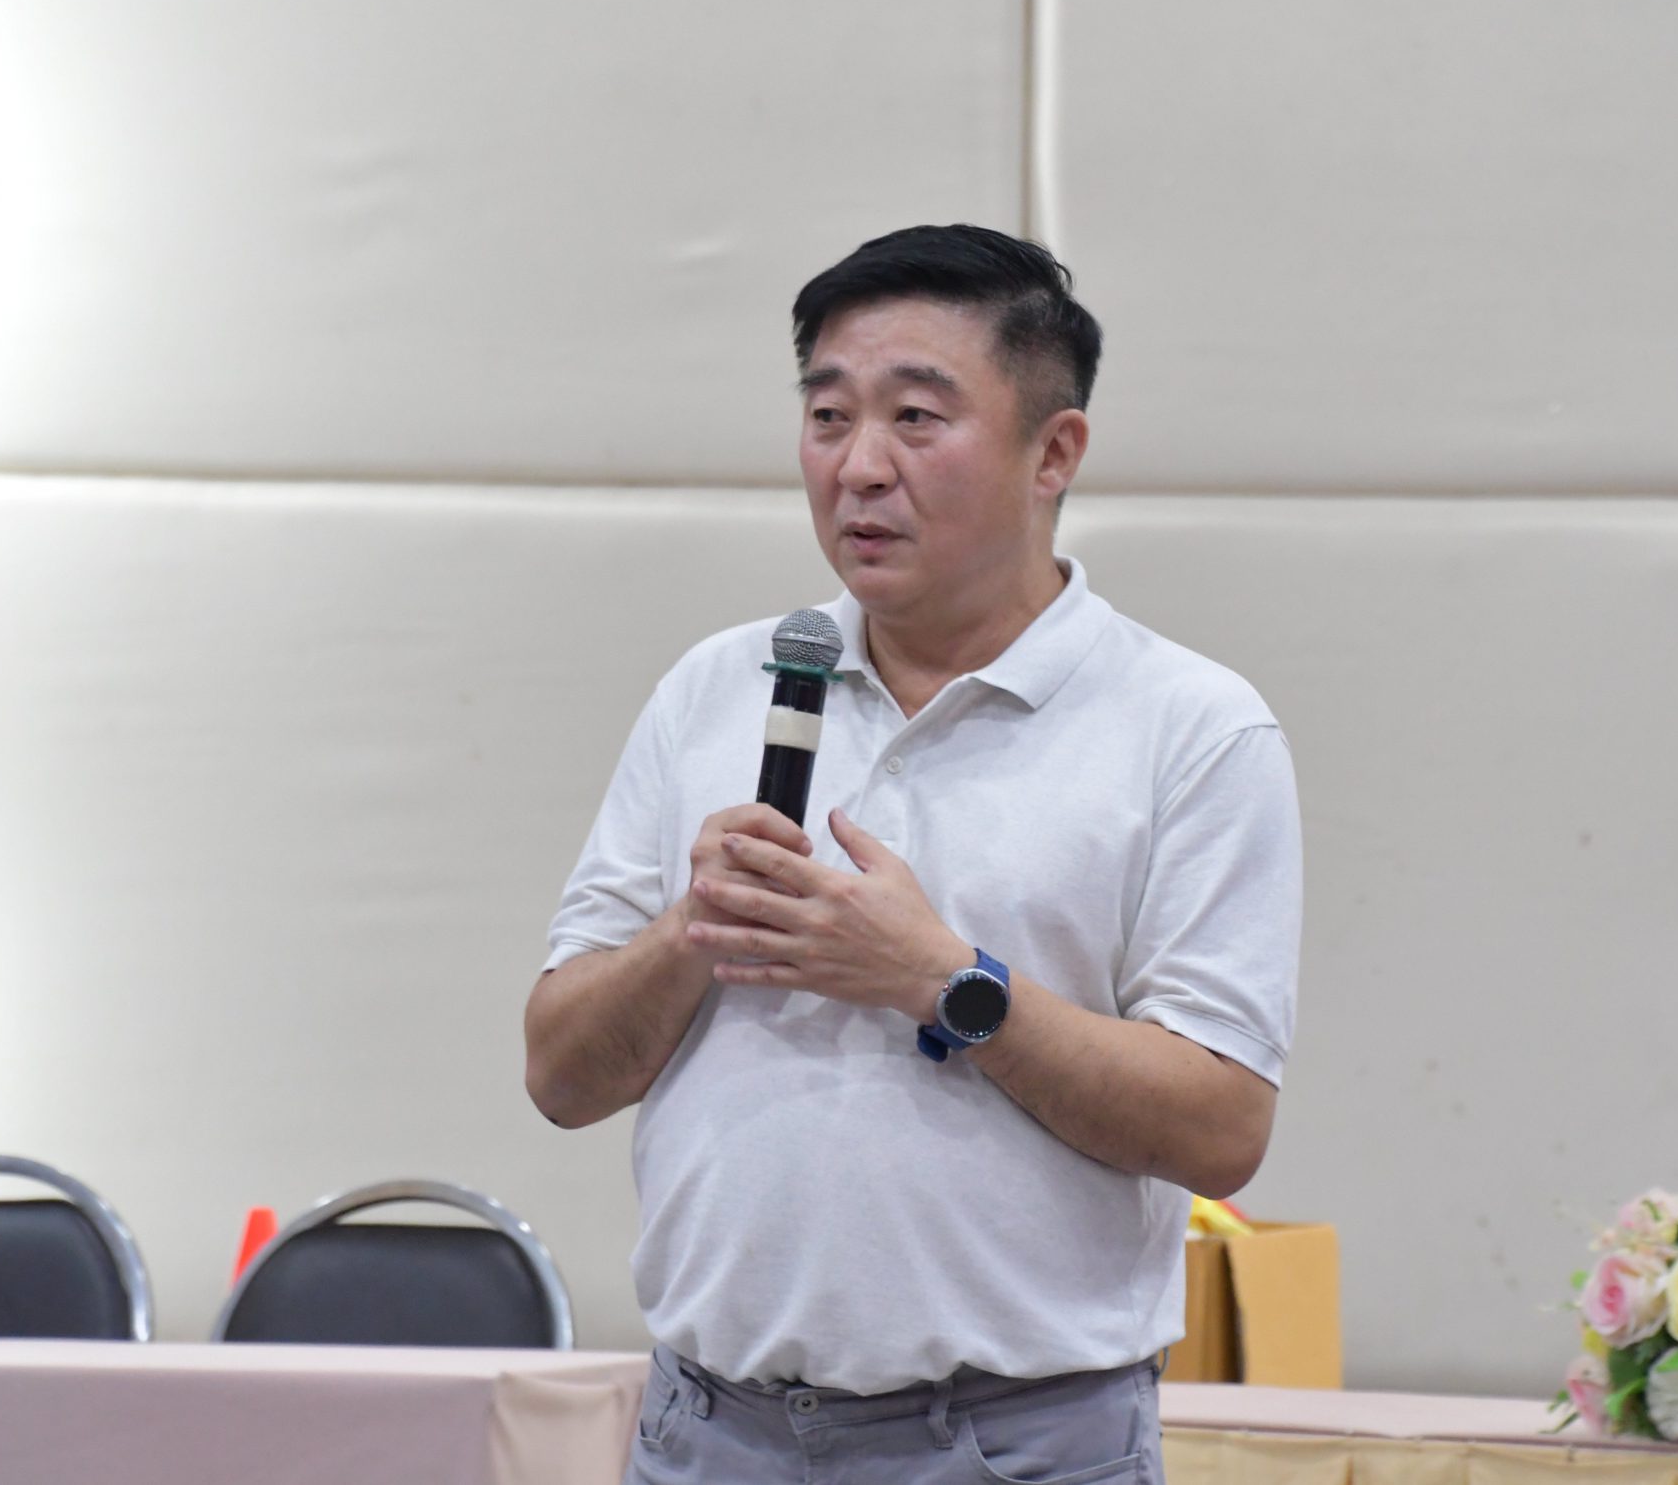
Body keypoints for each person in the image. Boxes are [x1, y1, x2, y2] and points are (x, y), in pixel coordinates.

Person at [523, 224, 1301, 1484]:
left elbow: (1220, 1129)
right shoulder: (717, 688)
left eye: (916, 419)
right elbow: (560, 1073)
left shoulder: (1189, 727)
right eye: (827, 416)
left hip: (1011, 1445)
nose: (859, 467)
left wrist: (942, 981)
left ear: (1054, 452)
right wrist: (690, 931)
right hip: (704, 1432)